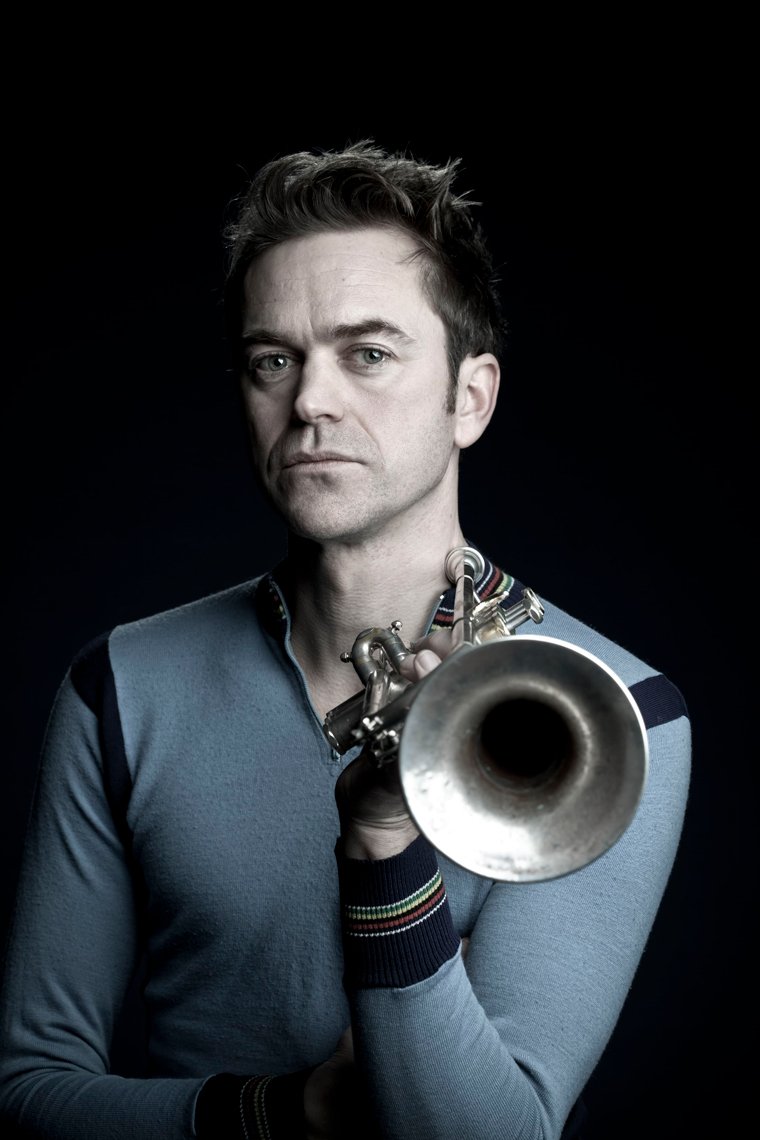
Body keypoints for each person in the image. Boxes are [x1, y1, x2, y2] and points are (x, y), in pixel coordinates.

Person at [0, 141, 691, 1140]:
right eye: (273, 361)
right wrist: (280, 1115)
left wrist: (381, 846)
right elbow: (31, 1092)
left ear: (470, 397)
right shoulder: (116, 688)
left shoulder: (620, 717)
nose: (311, 401)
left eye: (367, 353)